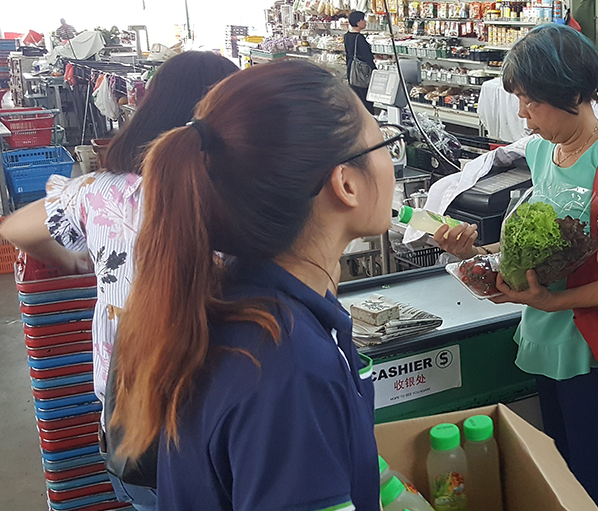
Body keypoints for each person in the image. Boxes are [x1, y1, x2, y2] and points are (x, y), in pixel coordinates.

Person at [108, 60, 394, 511]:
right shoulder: (289, 368)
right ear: (346, 183)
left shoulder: (237, 307)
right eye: (385, 144)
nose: (390, 163)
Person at [434, 24, 598, 511]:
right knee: (557, 479)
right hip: (542, 338)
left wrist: (558, 300)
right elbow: (535, 247)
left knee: (593, 487)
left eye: (531, 101)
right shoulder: (540, 153)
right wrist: (474, 254)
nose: (522, 115)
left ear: (574, 94)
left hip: (591, 352)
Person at [0, 51, 239, 510]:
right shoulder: (241, 205)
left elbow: (15, 227)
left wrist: (72, 258)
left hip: (134, 431)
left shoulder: (99, 192)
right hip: (226, 421)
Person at [344, 10, 376, 109]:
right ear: (358, 22)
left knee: (357, 98)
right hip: (361, 72)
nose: (365, 22)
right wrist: (374, 70)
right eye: (363, 20)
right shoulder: (359, 38)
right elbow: (367, 57)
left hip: (352, 70)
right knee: (366, 98)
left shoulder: (347, 36)